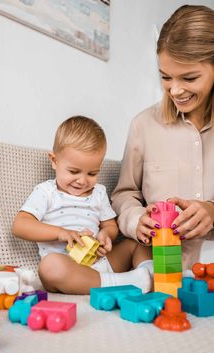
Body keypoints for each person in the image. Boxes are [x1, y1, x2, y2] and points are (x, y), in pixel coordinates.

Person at [111, 5, 214, 271]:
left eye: (189, 78)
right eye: (166, 77)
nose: (176, 90)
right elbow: (124, 194)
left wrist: (212, 212)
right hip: (161, 270)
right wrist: (136, 219)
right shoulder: (143, 125)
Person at [12, 116, 153, 294]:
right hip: (68, 269)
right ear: (54, 161)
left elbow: (110, 225)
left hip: (100, 263)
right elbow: (20, 225)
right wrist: (61, 233)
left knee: (136, 244)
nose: (82, 181)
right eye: (74, 171)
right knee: (49, 267)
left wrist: (105, 235)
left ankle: (152, 276)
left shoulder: (98, 193)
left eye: (92, 173)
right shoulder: (47, 192)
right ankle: (121, 283)